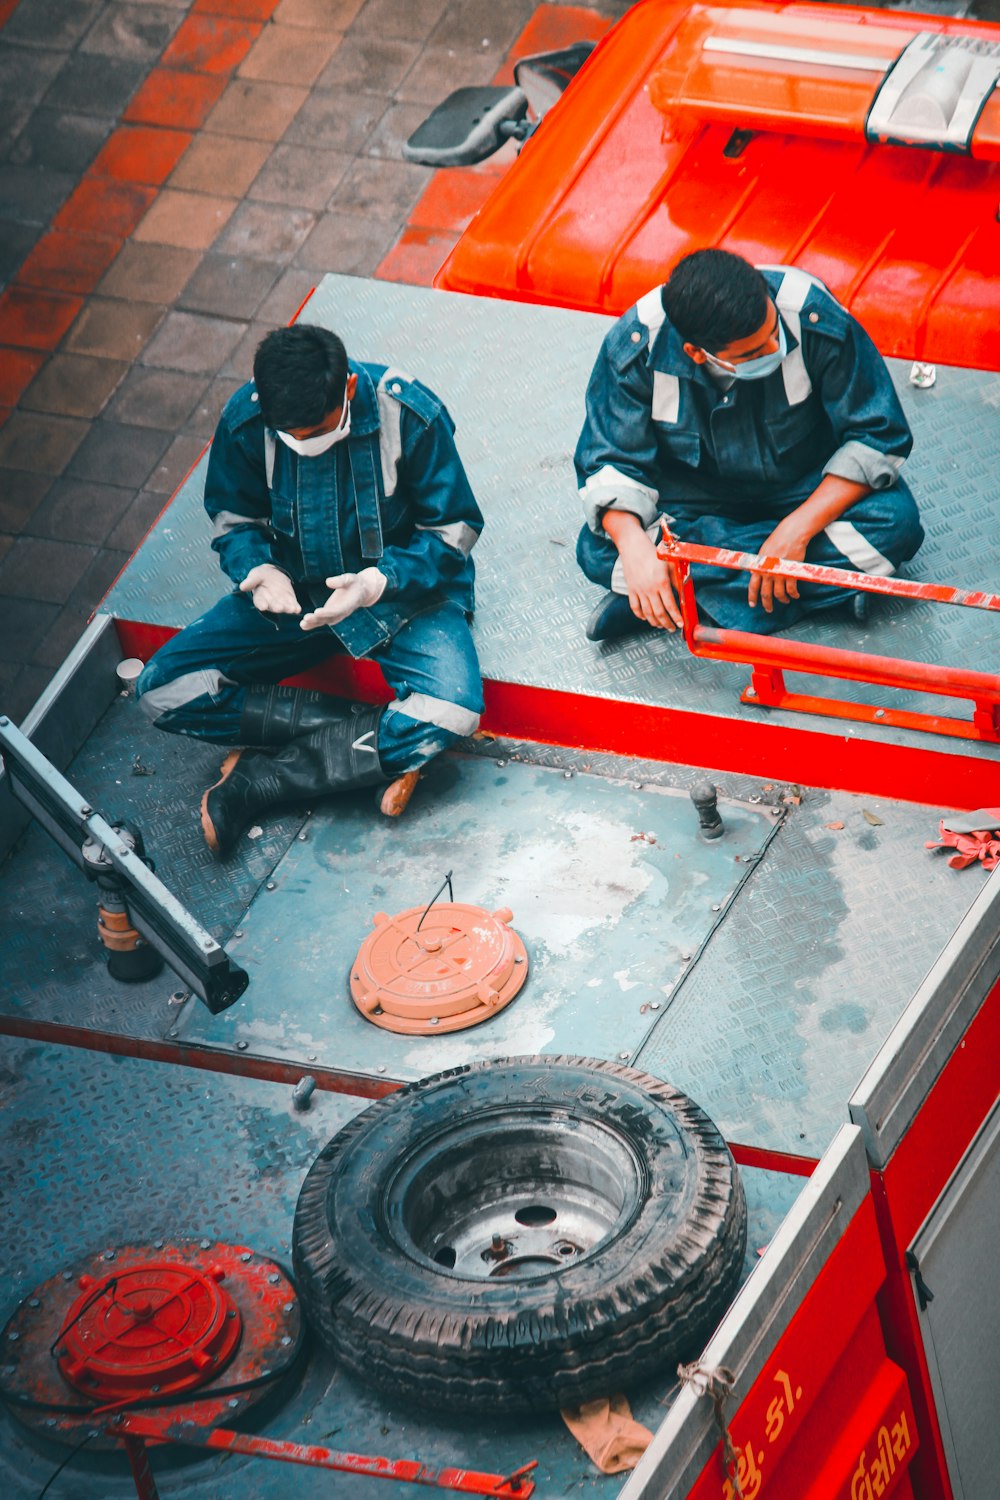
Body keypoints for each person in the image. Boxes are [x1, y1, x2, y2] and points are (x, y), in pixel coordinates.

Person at [136, 324, 484, 857]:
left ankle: (261, 780)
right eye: (289, 435)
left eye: (314, 430)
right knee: (161, 690)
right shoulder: (247, 417)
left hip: (400, 598)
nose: (302, 443)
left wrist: (376, 582)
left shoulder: (409, 414)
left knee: (454, 712)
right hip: (294, 598)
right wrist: (257, 570)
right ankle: (381, 742)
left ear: (347, 388)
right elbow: (234, 518)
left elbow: (453, 530)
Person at [575, 249, 923, 640]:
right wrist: (636, 549)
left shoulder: (812, 316)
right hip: (694, 500)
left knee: (898, 525)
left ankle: (678, 599)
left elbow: (878, 437)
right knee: (597, 551)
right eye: (754, 353)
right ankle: (821, 590)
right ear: (695, 353)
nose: (774, 348)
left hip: (803, 490)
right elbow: (609, 463)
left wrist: (796, 530)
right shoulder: (636, 346)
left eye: (773, 334)